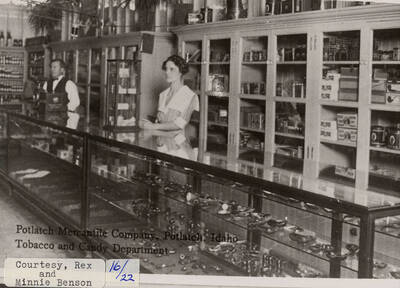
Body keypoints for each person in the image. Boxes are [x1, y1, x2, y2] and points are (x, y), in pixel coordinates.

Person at [139, 55, 199, 131]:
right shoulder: (163, 94)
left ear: (181, 71)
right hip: (161, 139)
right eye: (166, 69)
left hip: (178, 140)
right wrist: (148, 123)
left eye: (171, 69)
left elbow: (180, 124)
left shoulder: (190, 96)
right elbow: (160, 121)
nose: (167, 72)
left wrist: (154, 126)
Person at [42, 59, 80, 129]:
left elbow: (75, 102)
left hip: (65, 120)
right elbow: (44, 98)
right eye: (51, 67)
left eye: (55, 67)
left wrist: (62, 108)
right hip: (49, 119)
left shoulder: (69, 84)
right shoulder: (47, 83)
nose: (52, 69)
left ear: (62, 70)